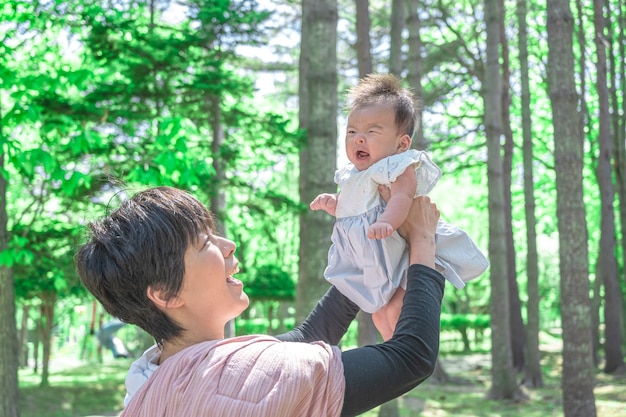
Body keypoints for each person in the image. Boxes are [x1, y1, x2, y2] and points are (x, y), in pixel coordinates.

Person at [76, 186, 445, 417]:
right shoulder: (232, 379)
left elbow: (307, 337)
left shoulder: (157, 379)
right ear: (166, 294)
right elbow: (411, 358)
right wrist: (423, 240)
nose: (227, 245)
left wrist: (365, 260)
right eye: (205, 243)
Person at [310, 73, 489, 340]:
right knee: (379, 313)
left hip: (401, 253)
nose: (359, 138)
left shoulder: (397, 166)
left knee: (395, 311)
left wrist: (387, 221)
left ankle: (404, 350)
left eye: (371, 131)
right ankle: (393, 353)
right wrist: (334, 203)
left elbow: (402, 198)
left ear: (401, 144)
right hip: (375, 256)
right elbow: (357, 206)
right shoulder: (351, 174)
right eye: (352, 132)